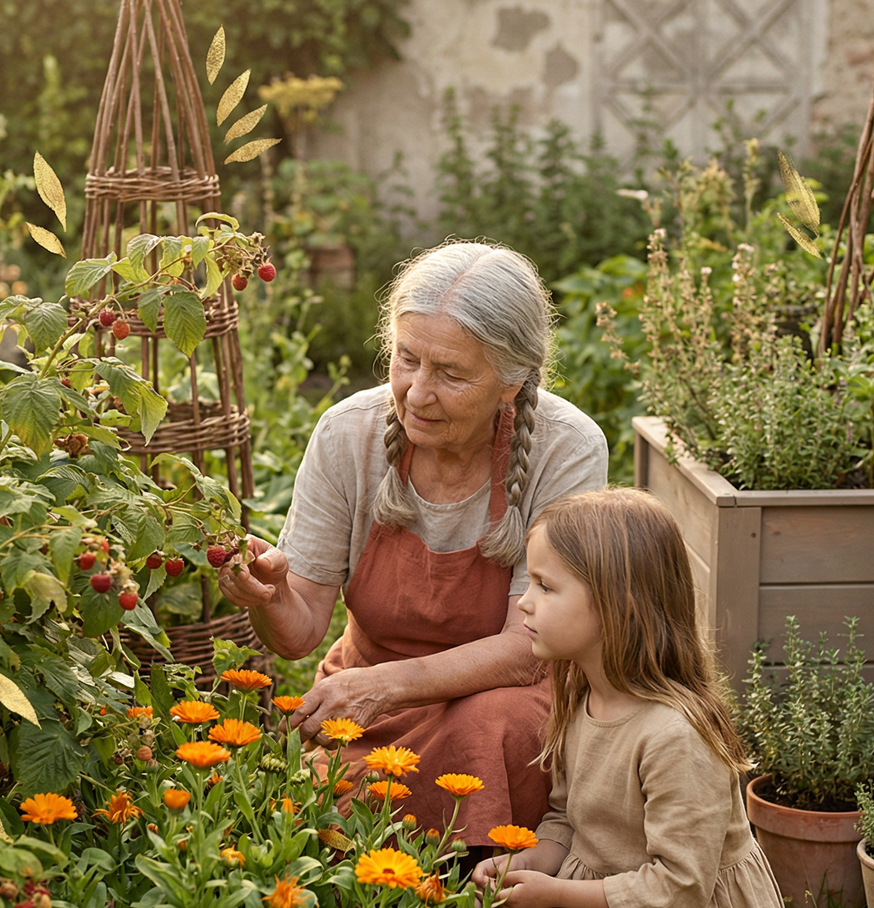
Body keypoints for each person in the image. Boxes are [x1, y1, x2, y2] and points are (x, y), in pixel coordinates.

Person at [217, 241, 608, 840]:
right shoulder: (349, 434)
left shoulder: (566, 447)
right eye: (406, 360)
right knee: (325, 824)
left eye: (451, 374)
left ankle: (471, 885)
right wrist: (270, 598)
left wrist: (387, 687)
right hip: (365, 702)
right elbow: (297, 637)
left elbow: (530, 647)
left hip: (504, 694)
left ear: (511, 382)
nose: (418, 394)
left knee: (494, 726)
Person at [460, 487, 814, 908]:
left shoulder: (674, 735)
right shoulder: (580, 695)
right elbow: (566, 815)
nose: (524, 602)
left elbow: (681, 888)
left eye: (546, 586)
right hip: (610, 896)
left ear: (616, 604)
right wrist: (533, 864)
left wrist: (556, 897)